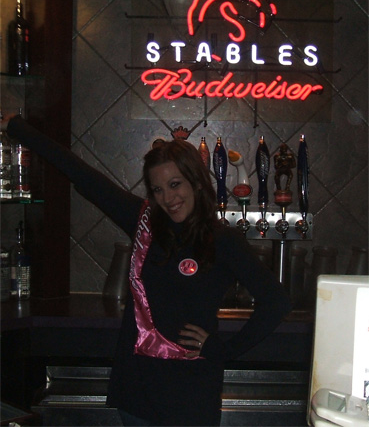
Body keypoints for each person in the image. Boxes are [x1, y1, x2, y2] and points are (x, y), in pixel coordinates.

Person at [4, 114, 291, 427]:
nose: (168, 198)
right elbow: (81, 172)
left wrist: (223, 350)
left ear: (195, 181)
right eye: (157, 190)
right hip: (137, 390)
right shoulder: (144, 224)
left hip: (190, 396)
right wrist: (16, 126)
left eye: (175, 184)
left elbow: (276, 301)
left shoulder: (222, 240)